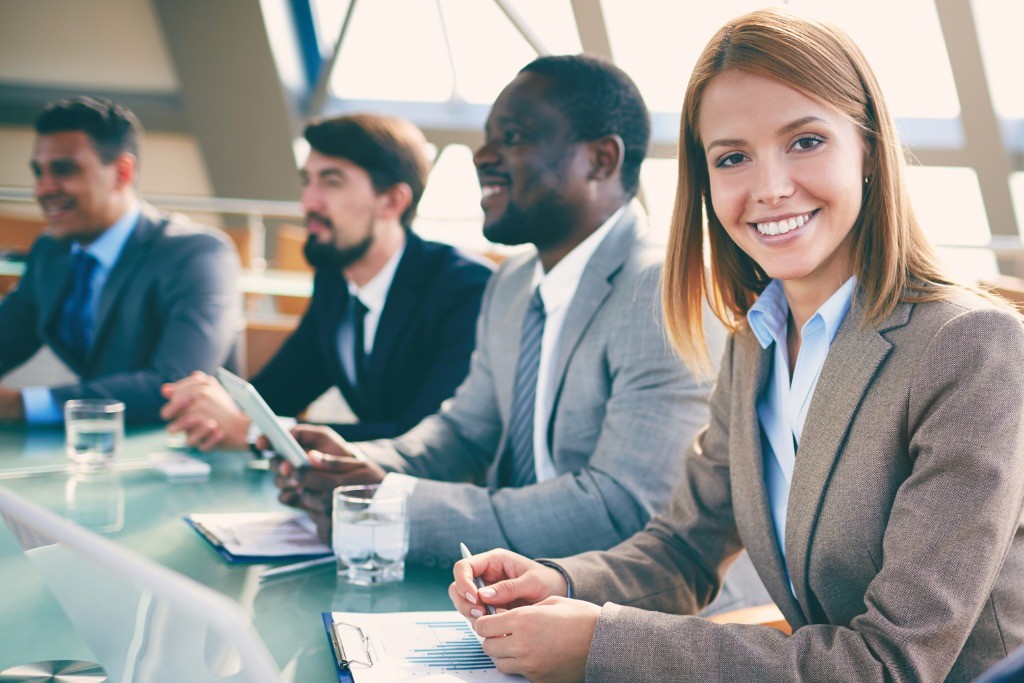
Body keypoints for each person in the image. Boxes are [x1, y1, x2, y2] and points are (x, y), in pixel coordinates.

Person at [449, 10, 1024, 682]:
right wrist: (554, 581)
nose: (770, 187)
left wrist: (602, 642)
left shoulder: (972, 349)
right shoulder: (757, 341)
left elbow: (889, 663)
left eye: (805, 141)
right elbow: (680, 552)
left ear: (868, 148)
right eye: (732, 157)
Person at [270, 55, 739, 582]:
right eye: (487, 137)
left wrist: (393, 503)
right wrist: (351, 465)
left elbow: (621, 508)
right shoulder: (512, 281)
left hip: (620, 612)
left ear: (600, 160)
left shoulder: (664, 290)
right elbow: (463, 434)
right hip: (509, 588)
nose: (482, 156)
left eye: (512, 137)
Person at [160, 113, 493, 446]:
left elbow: (423, 438)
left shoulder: (465, 291)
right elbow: (282, 389)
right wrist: (215, 408)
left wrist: (253, 432)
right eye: (308, 181)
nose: (309, 202)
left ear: (392, 201)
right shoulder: (335, 279)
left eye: (332, 182)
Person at [0, 96, 241, 424]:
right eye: (38, 172)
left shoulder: (198, 255)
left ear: (122, 172)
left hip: (187, 455)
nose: (43, 189)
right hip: (98, 448)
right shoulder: (50, 252)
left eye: (64, 170)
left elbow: (173, 385)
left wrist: (20, 405)